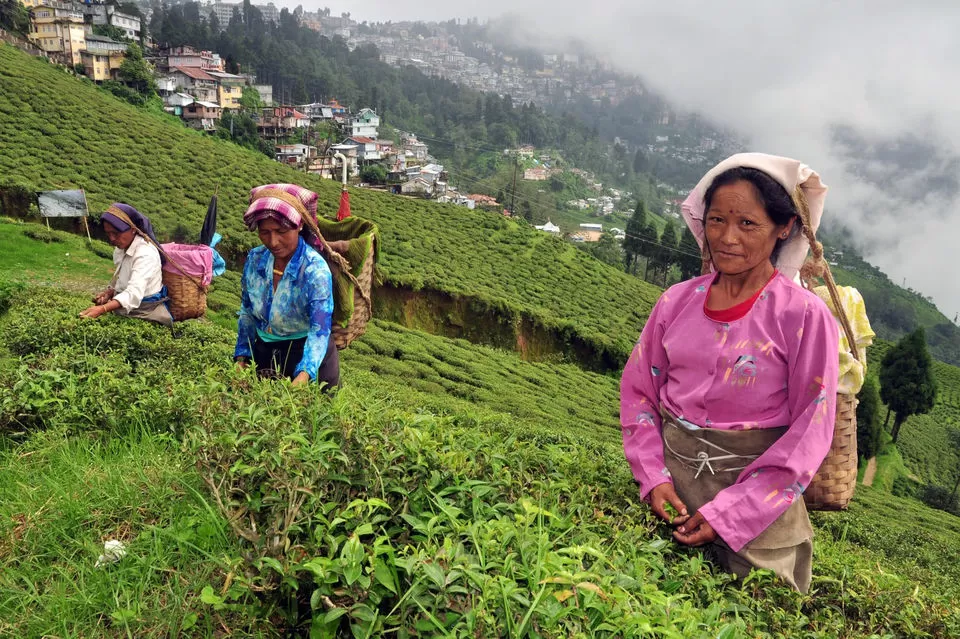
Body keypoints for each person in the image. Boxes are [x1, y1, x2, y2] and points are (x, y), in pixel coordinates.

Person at [620, 153, 839, 593]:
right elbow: (639, 392)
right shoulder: (676, 302)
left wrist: (731, 514)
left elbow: (810, 429)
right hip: (670, 495)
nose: (727, 237)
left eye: (748, 224)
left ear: (784, 227)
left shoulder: (803, 316)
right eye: (717, 220)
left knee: (756, 606)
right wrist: (653, 478)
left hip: (758, 513)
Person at [233, 183, 339, 389]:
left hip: (309, 356)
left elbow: (319, 330)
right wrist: (242, 355)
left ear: (299, 226)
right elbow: (247, 311)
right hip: (265, 353)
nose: (273, 241)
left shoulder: (314, 271)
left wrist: (305, 374)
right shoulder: (255, 260)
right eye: (265, 232)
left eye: (281, 231)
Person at [80, 203, 174, 326]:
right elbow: (123, 278)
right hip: (126, 307)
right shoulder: (121, 248)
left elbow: (134, 293)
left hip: (145, 311)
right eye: (108, 233)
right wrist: (110, 293)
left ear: (133, 229)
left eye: (116, 233)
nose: (112, 239)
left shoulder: (145, 254)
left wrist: (102, 309)